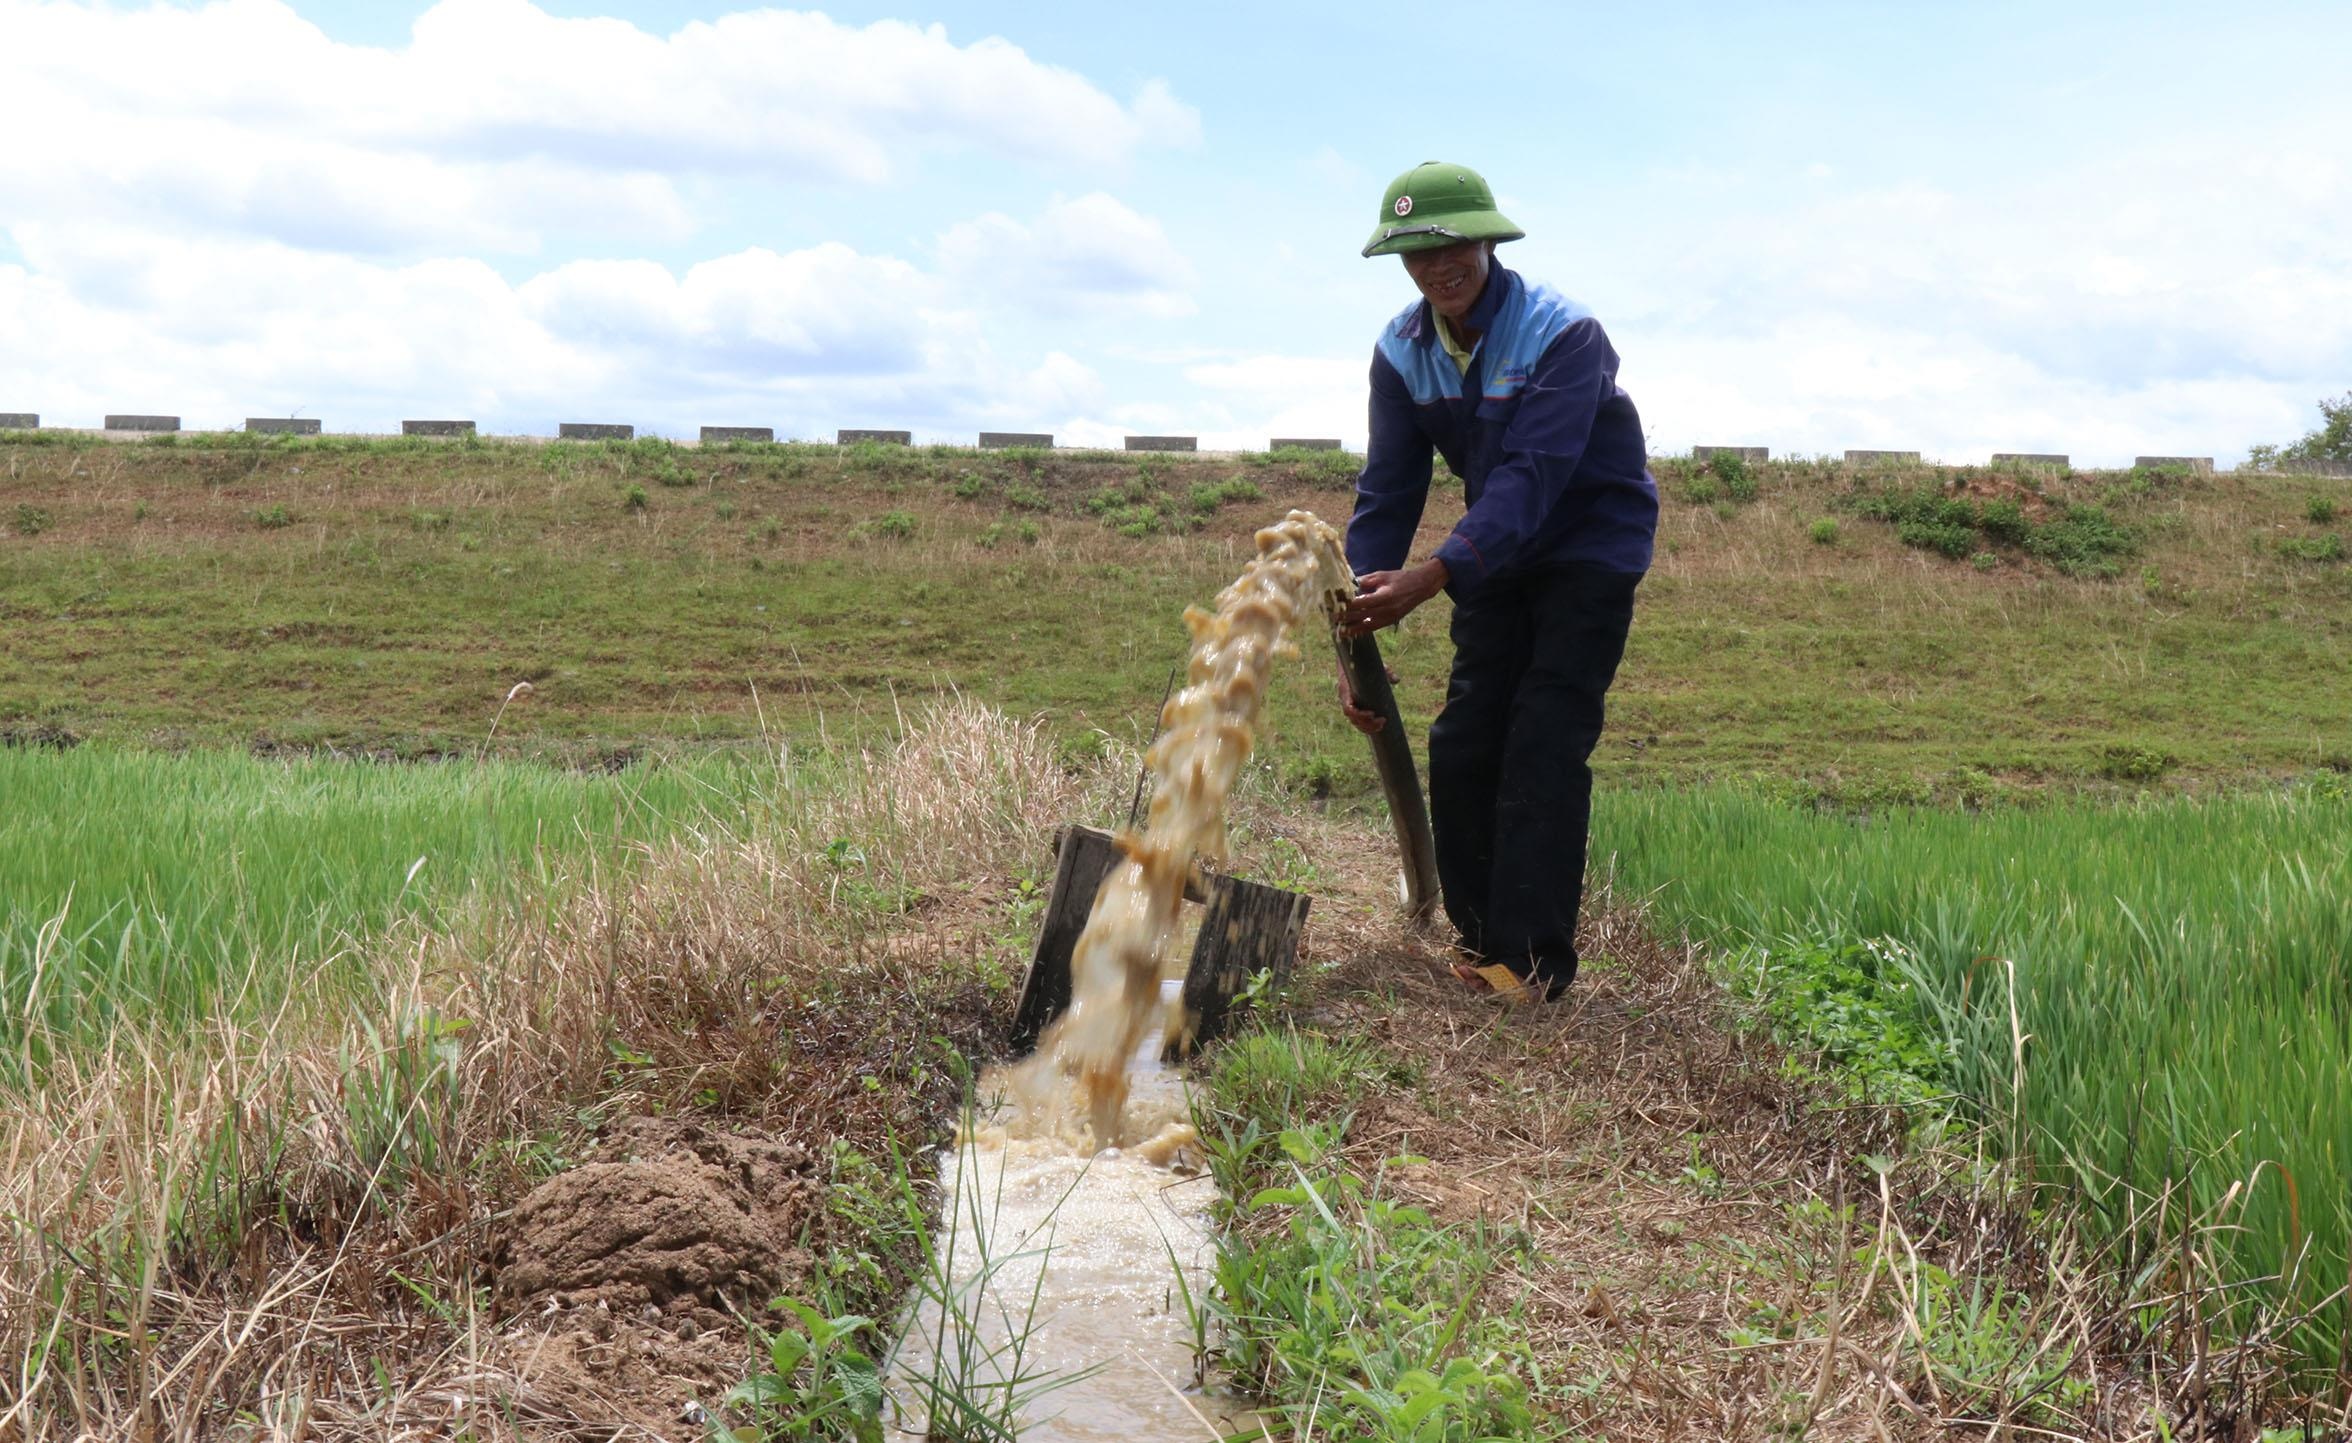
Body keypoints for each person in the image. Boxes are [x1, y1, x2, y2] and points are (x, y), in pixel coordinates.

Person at [1336, 161, 1658, 1004]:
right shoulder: (1402, 352)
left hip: (1589, 545)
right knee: (1466, 739)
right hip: (1496, 551)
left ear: (1486, 239)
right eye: (1414, 255)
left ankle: (1533, 967)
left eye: (1452, 248)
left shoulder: (1561, 332)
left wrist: (1433, 576)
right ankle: (1482, 945)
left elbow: (1532, 478)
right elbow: (1387, 491)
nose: (1437, 268)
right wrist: (1353, 628)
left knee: (1545, 740)